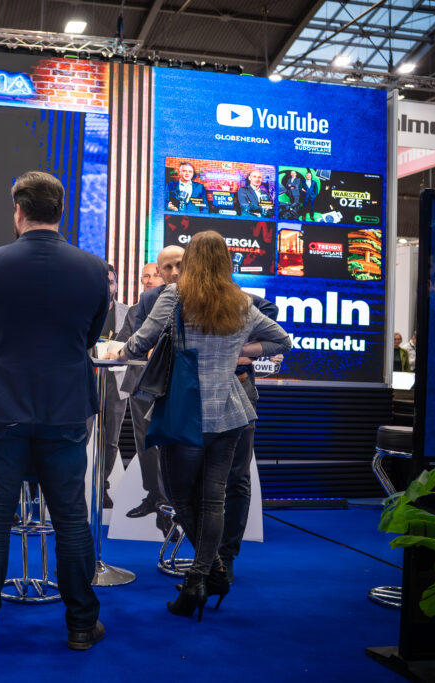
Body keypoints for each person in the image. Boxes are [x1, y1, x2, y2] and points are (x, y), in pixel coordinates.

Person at [0, 171, 108, 651]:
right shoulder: (93, 269)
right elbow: (89, 337)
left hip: (2, 405)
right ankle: (82, 625)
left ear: (18, 211)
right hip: (66, 409)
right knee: (71, 519)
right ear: (60, 211)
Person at [110, 230, 290, 620]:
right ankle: (209, 573)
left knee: (180, 498)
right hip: (230, 412)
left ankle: (203, 576)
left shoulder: (176, 296)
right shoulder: (240, 302)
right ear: (226, 262)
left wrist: (118, 352)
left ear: (190, 260)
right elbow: (282, 341)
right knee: (213, 499)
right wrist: (242, 351)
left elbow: (140, 342)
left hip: (185, 412)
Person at [120, 246, 183, 524]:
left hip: (181, 384)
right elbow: (137, 340)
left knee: (175, 445)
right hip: (145, 381)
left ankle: (172, 502)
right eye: (164, 269)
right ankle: (154, 496)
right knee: (145, 441)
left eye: (176, 266)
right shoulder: (145, 301)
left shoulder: (203, 296)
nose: (171, 273)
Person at [218, 296, 279, 584]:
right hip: (194, 394)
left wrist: (242, 350)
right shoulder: (176, 297)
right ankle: (205, 556)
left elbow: (278, 335)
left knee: (237, 478)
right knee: (195, 479)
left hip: (240, 390)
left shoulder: (242, 299)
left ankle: (225, 556)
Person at [96, 264, 130, 508]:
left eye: (110, 282)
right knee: (80, 436)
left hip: (116, 382)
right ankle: (75, 488)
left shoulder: (128, 312)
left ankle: (103, 487)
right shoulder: (83, 310)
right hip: (85, 380)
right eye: (103, 281)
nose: (107, 287)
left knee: (111, 441)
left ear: (116, 285)